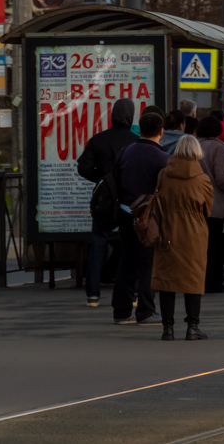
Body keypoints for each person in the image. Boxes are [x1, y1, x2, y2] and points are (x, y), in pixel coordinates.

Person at [151, 135, 214, 340]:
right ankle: (192, 327)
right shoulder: (203, 179)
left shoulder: (163, 175)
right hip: (194, 234)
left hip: (167, 230)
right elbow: (208, 209)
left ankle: (167, 328)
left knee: (166, 280)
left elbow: (157, 199)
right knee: (193, 280)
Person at [76, 98, 137, 308]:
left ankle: (92, 295)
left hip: (103, 199)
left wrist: (102, 178)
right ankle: (132, 293)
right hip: (128, 199)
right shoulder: (134, 141)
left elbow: (83, 167)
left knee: (98, 244)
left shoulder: (98, 140)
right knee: (129, 245)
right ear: (131, 115)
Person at [112, 110, 169, 325]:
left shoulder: (126, 151)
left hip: (125, 212)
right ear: (161, 132)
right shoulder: (163, 157)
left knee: (126, 260)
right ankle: (145, 310)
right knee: (148, 263)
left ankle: (121, 310)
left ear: (140, 128)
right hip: (148, 217)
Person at [195, 115, 224, 294]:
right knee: (215, 246)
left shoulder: (194, 145)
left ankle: (200, 281)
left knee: (201, 247)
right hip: (215, 203)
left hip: (196, 203)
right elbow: (223, 178)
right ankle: (214, 282)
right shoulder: (218, 147)